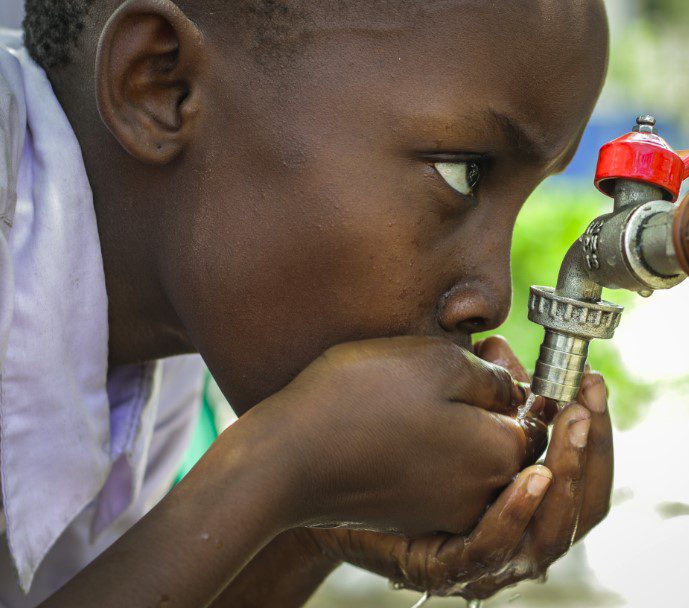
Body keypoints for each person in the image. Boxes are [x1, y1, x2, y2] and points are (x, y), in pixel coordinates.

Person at [0, 0, 615, 605]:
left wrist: (307, 528)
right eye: (461, 172)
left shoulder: (161, 338)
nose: (492, 299)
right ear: (161, 86)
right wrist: (275, 469)